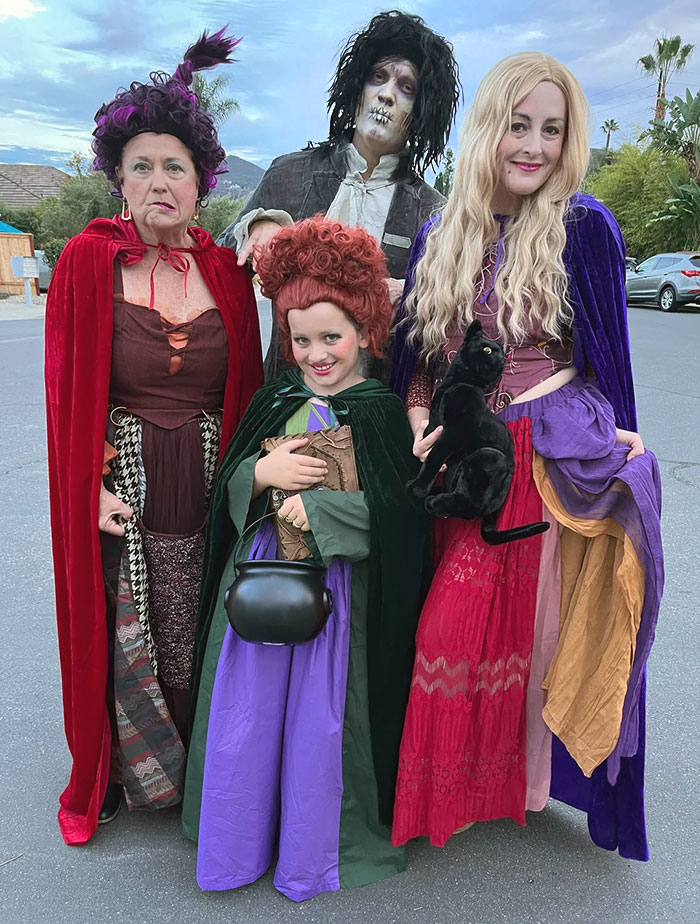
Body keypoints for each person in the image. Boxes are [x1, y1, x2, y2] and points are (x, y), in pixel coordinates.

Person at [389, 52, 664, 861]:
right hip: (468, 456)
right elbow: (418, 368)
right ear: (488, 128)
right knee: (454, 630)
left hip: (547, 449)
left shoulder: (585, 227)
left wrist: (621, 434)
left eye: (553, 128)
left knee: (537, 634)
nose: (534, 144)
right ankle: (454, 791)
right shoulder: (442, 233)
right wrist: (415, 425)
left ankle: (520, 785)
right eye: (519, 123)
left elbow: (608, 353)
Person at [44, 29, 264, 846]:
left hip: (210, 477)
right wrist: (88, 485)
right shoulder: (84, 264)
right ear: (118, 179)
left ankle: (203, 770)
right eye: (142, 165)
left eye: (175, 166)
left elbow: (257, 387)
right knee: (122, 620)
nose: (159, 181)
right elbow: (68, 397)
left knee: (200, 619)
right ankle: (116, 770)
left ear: (201, 182)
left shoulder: (228, 273)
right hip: (123, 479)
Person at [182, 217, 427, 901]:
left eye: (332, 337)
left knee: (318, 724)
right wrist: (260, 479)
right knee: (251, 714)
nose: (317, 354)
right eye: (301, 338)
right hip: (260, 581)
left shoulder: (378, 411)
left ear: (365, 334)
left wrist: (326, 511)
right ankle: (240, 836)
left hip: (340, 599)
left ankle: (309, 847)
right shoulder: (276, 399)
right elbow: (232, 478)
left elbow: (403, 517)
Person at [219, 9, 460, 381]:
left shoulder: (432, 212)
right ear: (357, 86)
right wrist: (257, 227)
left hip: (378, 410)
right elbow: (220, 261)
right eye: (378, 78)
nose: (386, 95)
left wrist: (411, 295)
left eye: (406, 88)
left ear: (423, 109)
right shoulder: (290, 174)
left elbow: (446, 324)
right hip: (284, 401)